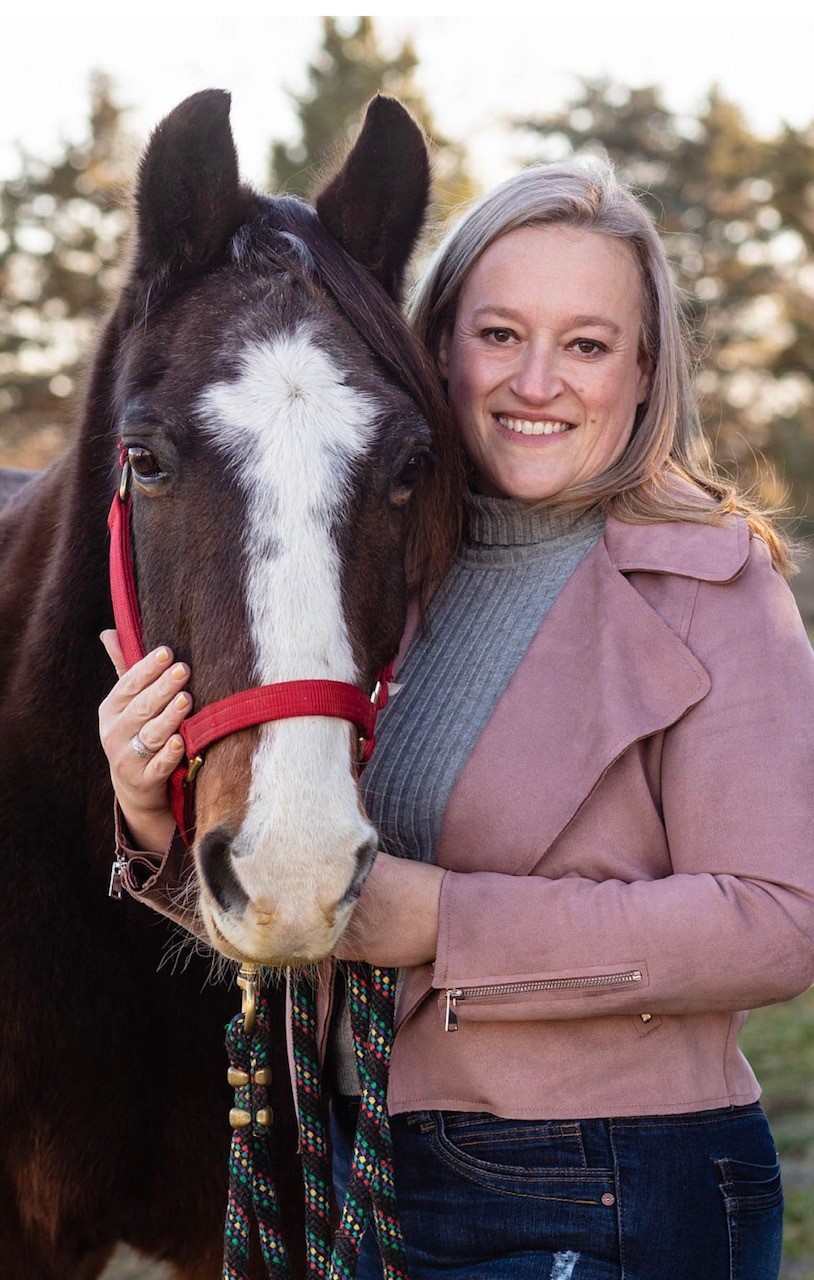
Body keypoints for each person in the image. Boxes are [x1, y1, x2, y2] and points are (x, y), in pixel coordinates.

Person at [100, 158, 814, 1280]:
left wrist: (445, 920)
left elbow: (775, 921)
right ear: (431, 348)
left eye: (584, 344)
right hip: (362, 1169)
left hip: (608, 1182)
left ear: (641, 371)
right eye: (497, 334)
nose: (535, 381)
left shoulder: (711, 584)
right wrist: (151, 823)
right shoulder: (384, 582)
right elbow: (322, 910)